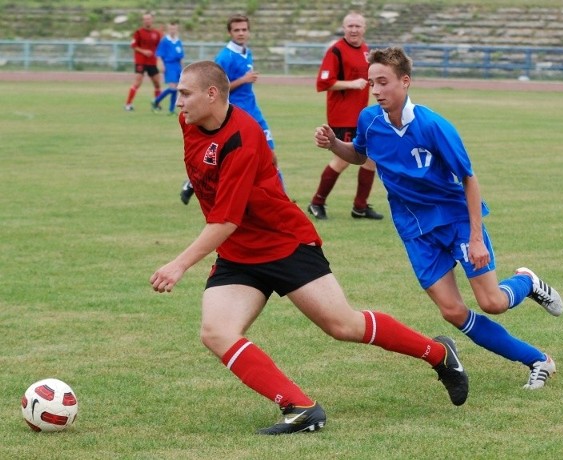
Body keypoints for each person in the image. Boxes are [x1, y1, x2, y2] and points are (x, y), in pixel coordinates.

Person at [150, 60, 469, 435]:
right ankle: (300, 408)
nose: (179, 102)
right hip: (239, 252)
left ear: (212, 94)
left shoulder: (243, 137)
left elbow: (226, 220)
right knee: (216, 331)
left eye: (185, 94)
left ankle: (439, 354)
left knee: (343, 325)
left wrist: (179, 264)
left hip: (285, 243)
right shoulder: (189, 123)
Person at [314, 47, 563, 390]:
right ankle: (539, 360)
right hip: (414, 230)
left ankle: (527, 282)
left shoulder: (434, 126)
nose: (375, 90)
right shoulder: (369, 120)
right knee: (452, 312)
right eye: (372, 83)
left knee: (492, 303)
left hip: (455, 220)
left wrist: (476, 238)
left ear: (405, 81)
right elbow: (358, 154)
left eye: (383, 82)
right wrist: (332, 145)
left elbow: (469, 179)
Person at [180, 14, 284, 205]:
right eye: (237, 30)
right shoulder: (225, 57)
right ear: (230, 32)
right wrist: (243, 80)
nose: (241, 33)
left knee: (271, 155)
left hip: (254, 111)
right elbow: (216, 88)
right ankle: (194, 183)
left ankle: (278, 200)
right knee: (229, 159)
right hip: (235, 114)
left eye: (244, 29)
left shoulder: (247, 52)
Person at [307, 12, 382, 221]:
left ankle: (360, 207)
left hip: (361, 117)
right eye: (350, 26)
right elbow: (323, 83)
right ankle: (316, 202)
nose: (354, 30)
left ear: (364, 28)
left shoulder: (366, 50)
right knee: (343, 161)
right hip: (342, 117)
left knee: (370, 160)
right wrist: (352, 83)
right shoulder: (336, 50)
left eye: (358, 26)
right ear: (344, 27)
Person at [124, 12, 162, 112]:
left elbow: (160, 47)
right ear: (143, 21)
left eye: (148, 19)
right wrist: (144, 51)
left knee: (157, 83)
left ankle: (156, 104)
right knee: (138, 82)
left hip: (152, 62)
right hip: (141, 61)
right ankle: (128, 104)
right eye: (145, 19)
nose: (147, 21)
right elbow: (133, 45)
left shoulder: (157, 33)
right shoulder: (138, 32)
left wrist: (160, 58)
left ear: (152, 20)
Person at [152, 20, 184, 115]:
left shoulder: (178, 41)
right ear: (168, 29)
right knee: (172, 87)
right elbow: (159, 55)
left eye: (174, 28)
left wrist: (182, 69)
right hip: (169, 65)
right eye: (171, 28)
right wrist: (161, 65)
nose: (172, 30)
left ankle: (171, 110)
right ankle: (156, 100)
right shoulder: (165, 41)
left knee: (177, 88)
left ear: (177, 29)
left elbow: (181, 57)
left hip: (177, 66)